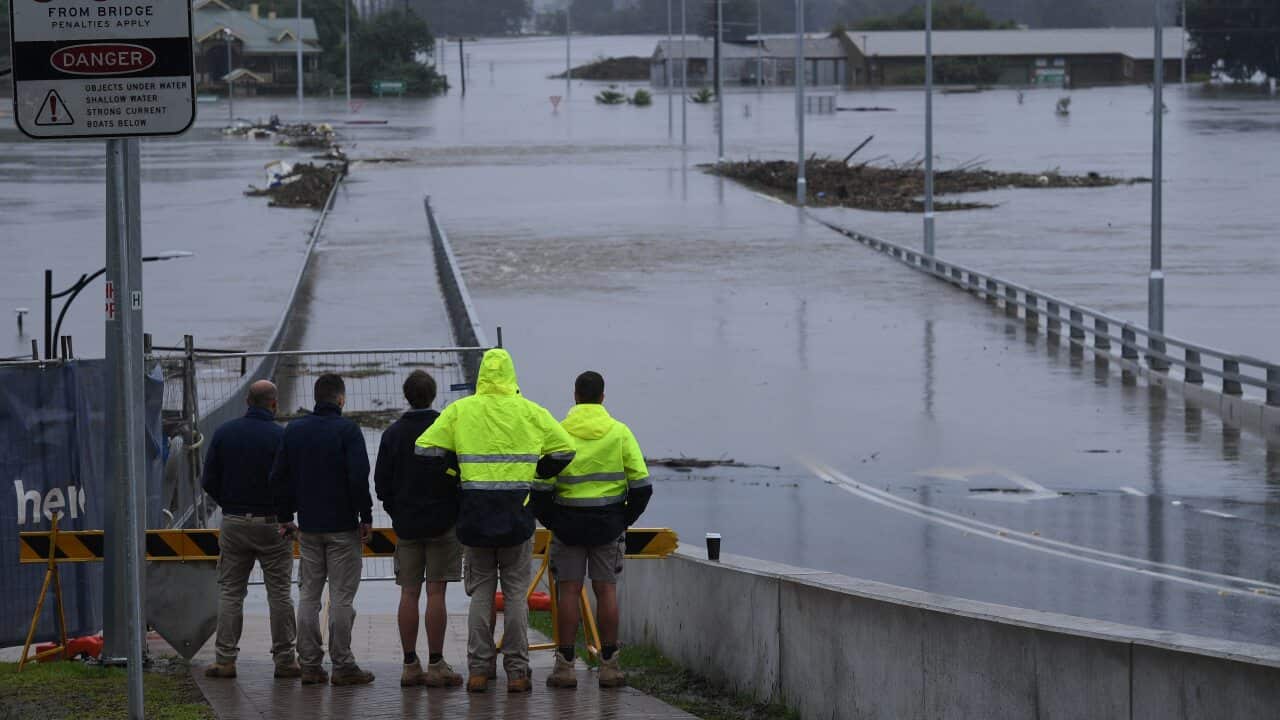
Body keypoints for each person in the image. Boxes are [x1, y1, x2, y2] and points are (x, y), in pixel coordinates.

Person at [414, 348, 575, 694]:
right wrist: (535, 472)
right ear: (512, 376)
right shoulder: (531, 411)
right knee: (516, 596)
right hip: (517, 517)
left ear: (482, 375)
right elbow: (565, 450)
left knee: (481, 596)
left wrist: (454, 472)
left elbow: (424, 449)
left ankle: (479, 670)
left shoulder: (461, 410)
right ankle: (517, 671)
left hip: (474, 517)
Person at [535, 371, 652, 690]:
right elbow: (642, 486)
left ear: (575, 396)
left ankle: (565, 666)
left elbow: (540, 486)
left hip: (568, 525)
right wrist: (623, 520)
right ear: (603, 397)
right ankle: (609, 665)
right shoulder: (619, 432)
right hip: (607, 526)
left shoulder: (558, 433)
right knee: (606, 590)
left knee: (568, 591)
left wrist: (552, 521)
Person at [270, 373, 375, 686]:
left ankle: (311, 664)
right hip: (343, 527)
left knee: (309, 597)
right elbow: (358, 476)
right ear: (340, 399)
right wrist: (365, 515)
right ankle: (343, 664)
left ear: (316, 398)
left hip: (309, 528)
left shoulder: (294, 430)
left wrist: (286, 516)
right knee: (341, 598)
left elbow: (279, 476)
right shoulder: (348, 430)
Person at [202, 380, 299, 680]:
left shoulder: (224, 433)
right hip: (273, 525)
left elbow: (208, 480)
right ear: (274, 403)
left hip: (233, 522)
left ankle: (225, 659)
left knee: (231, 592)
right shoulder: (281, 437)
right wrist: (286, 514)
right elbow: (291, 482)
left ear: (246, 400)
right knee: (280, 593)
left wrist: (229, 504)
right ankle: (285, 661)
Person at [374, 370, 464, 688]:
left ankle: (410, 664)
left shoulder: (393, 434)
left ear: (406, 395)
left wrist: (396, 510)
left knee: (408, 592)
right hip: (443, 523)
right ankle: (437, 663)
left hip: (408, 524)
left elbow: (381, 484)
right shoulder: (448, 428)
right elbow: (460, 476)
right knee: (436, 592)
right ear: (434, 394)